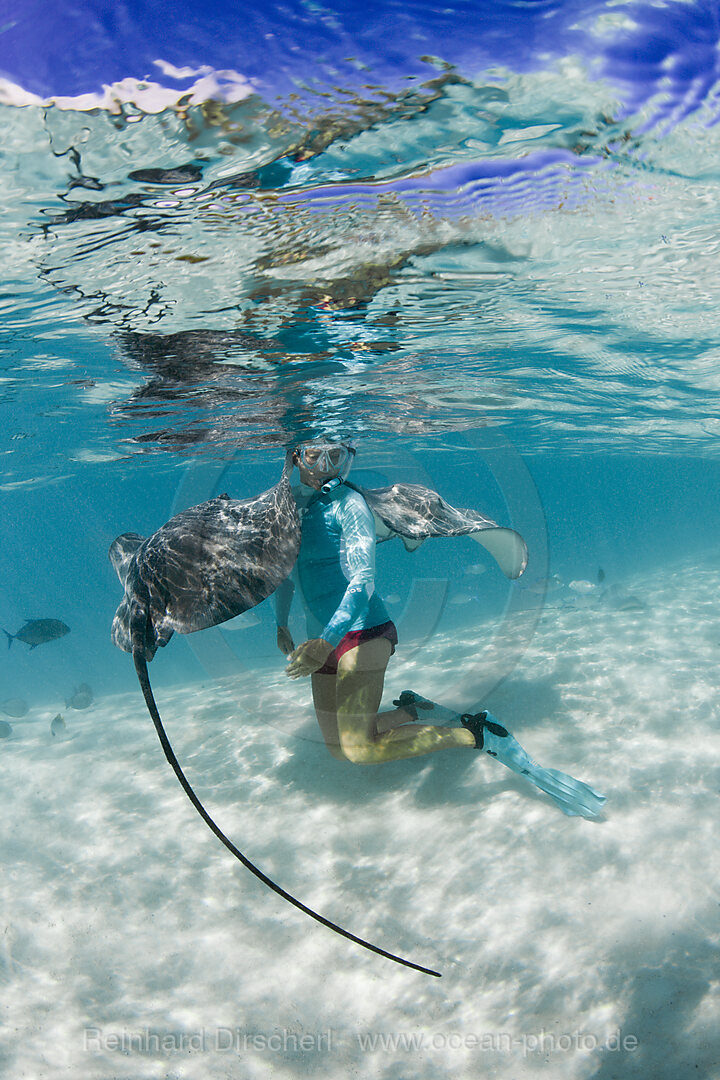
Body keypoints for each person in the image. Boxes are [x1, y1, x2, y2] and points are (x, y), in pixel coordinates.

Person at [274, 438, 477, 763]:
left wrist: (326, 642)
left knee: (360, 749)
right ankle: (414, 711)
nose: (324, 468)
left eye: (335, 457)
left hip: (362, 632)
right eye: (314, 456)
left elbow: (363, 581)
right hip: (320, 641)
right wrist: (281, 622)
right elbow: (283, 573)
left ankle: (476, 734)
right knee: (338, 749)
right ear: (296, 458)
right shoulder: (288, 508)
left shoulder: (348, 503)